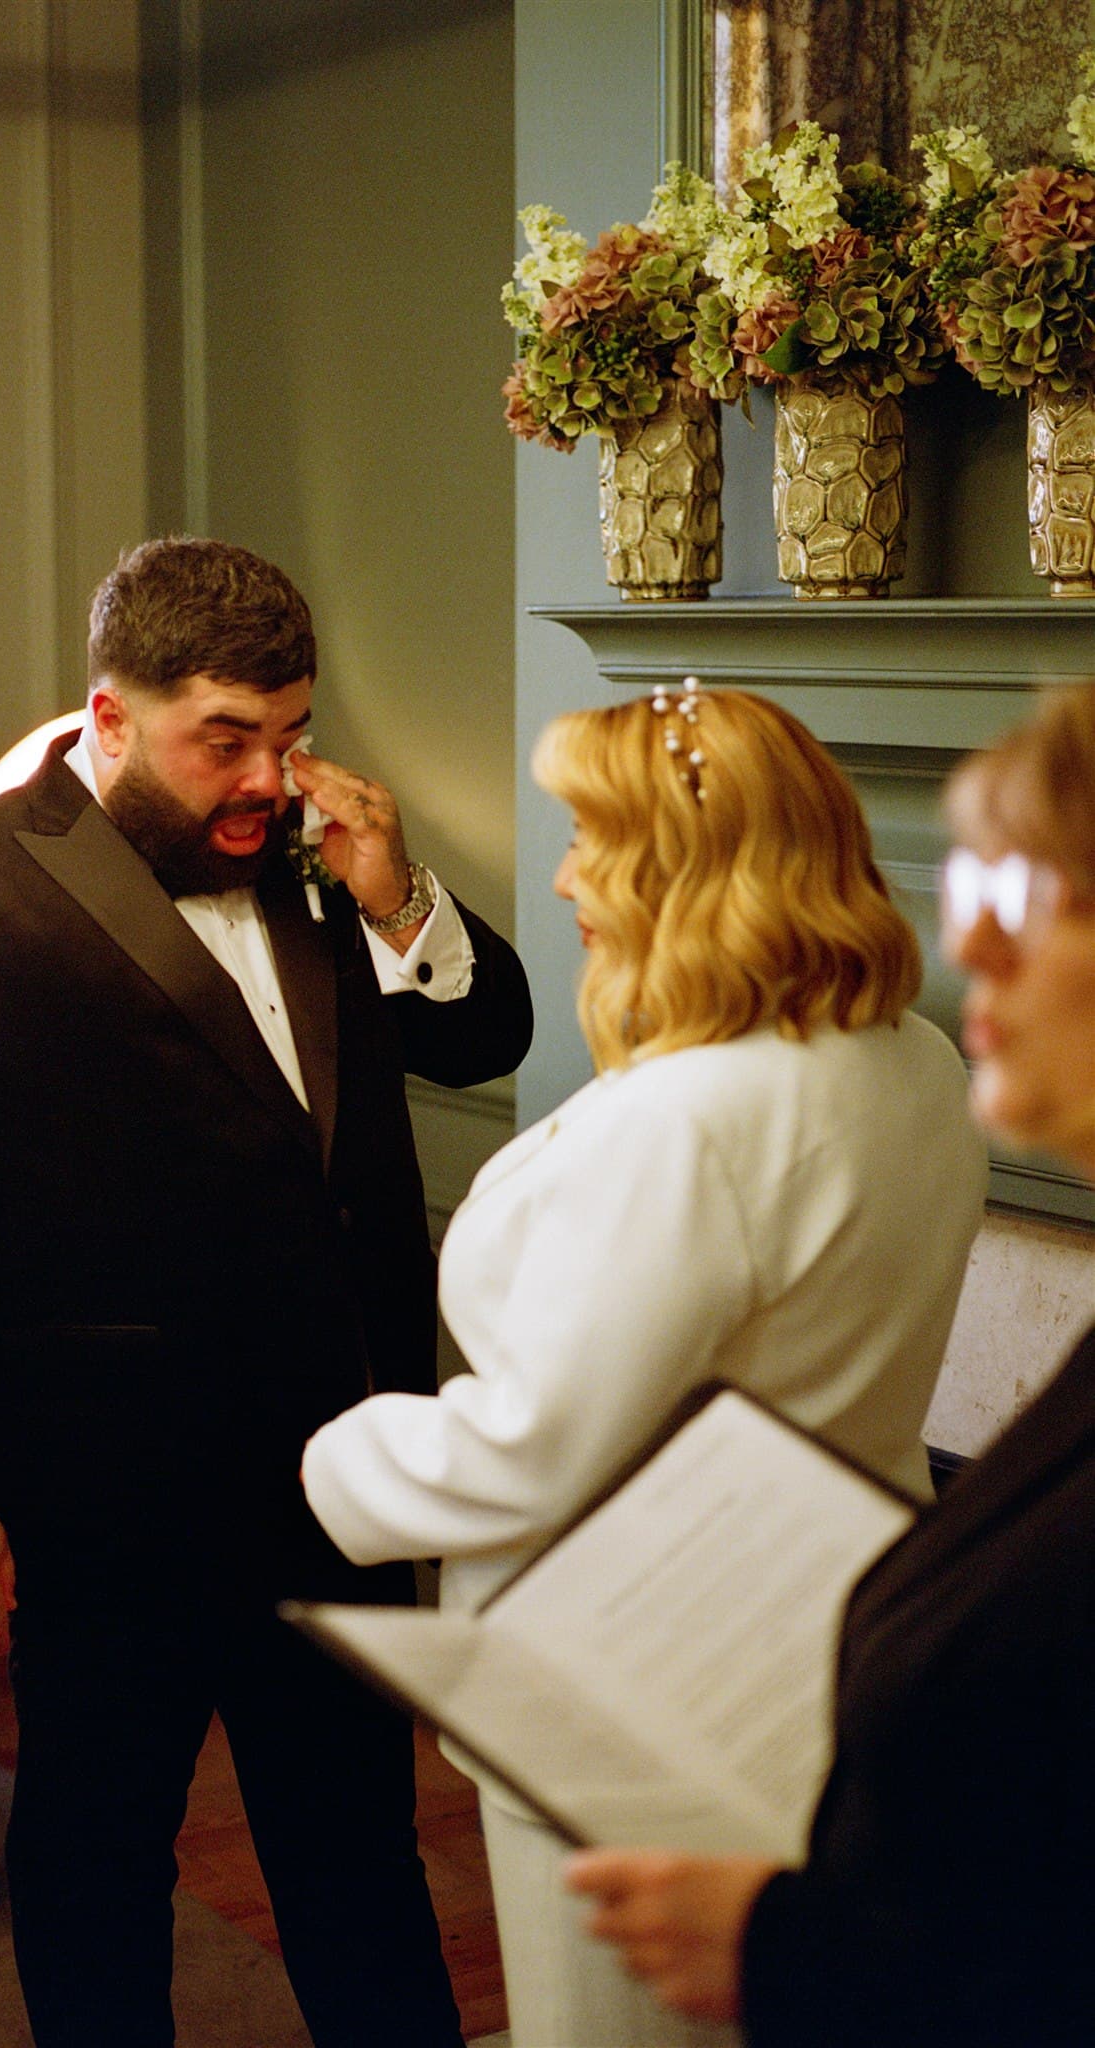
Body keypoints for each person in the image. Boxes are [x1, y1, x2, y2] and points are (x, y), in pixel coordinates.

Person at [0, 536, 533, 2048]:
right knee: (98, 1857)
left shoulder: (322, 868)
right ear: (112, 716)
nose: (269, 777)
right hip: (106, 1498)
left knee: (359, 1861)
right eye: (226, 739)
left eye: (292, 733)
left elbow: (479, 1041)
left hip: (338, 1475)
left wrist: (402, 902)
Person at [301, 683, 986, 2047]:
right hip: (834, 1644)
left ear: (688, 869)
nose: (560, 878)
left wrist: (333, 1451)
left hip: (631, 1683)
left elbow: (532, 1450)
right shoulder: (920, 1063)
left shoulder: (686, 1126)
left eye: (588, 844)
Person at [565, 679, 1095, 2048]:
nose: (966, 929)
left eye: (1033, 891)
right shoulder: (899, 1068)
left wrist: (798, 1956)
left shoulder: (691, 1117)